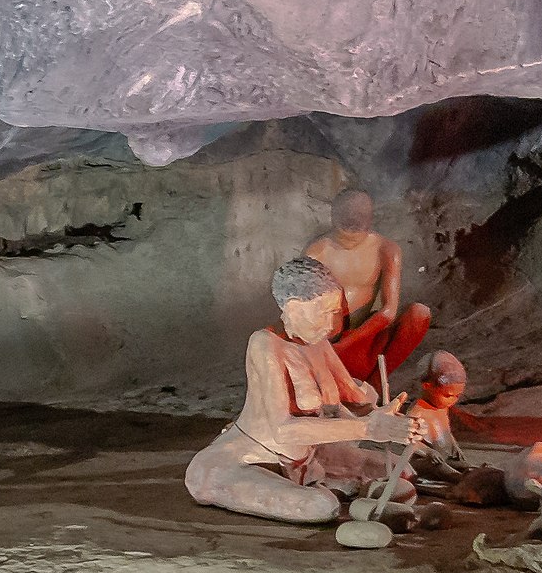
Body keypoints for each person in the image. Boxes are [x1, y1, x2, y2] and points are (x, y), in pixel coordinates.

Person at [184, 255, 416, 523]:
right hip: (253, 457)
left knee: (403, 471)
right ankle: (329, 491)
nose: (331, 326)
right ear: (293, 308)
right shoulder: (264, 345)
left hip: (310, 458)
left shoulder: (317, 342)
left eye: (335, 314)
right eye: (323, 314)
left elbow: (355, 398)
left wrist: (390, 418)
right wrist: (369, 428)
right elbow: (282, 430)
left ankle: (329, 485)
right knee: (320, 507)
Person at [305, 189, 431, 382]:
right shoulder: (317, 252)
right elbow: (306, 311)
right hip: (329, 341)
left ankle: (376, 384)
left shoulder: (386, 249)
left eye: (356, 233)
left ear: (370, 222)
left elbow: (388, 312)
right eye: (343, 232)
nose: (350, 239)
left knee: (419, 314)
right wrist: (331, 344)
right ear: (332, 219)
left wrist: (350, 342)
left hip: (363, 337)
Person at [408, 352, 468, 472]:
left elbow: (446, 434)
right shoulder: (417, 412)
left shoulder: (443, 409)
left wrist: (456, 448)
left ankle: (471, 473)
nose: (453, 401)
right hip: (425, 460)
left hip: (445, 457)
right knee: (437, 466)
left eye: (457, 396)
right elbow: (409, 442)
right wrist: (429, 452)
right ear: (427, 386)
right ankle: (460, 478)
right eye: (448, 396)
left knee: (465, 466)